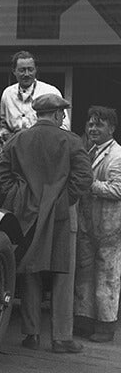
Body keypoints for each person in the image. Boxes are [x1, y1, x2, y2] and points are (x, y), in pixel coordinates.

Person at [0, 94, 92, 354]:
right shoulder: (71, 141)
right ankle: (61, 338)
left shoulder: (18, 139)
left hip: (26, 216)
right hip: (60, 216)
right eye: (62, 113)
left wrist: (20, 197)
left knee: (31, 273)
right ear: (58, 114)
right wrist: (62, 201)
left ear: (38, 114)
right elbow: (83, 178)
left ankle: (31, 335)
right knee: (63, 276)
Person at [74, 107, 121, 343]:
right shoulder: (89, 151)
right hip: (87, 223)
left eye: (99, 125)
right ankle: (83, 320)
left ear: (111, 128)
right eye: (90, 124)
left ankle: (105, 325)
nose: (93, 129)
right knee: (84, 273)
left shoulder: (117, 155)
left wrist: (90, 184)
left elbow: (118, 189)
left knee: (107, 275)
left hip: (109, 226)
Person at [0, 51, 69, 142]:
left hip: (44, 145)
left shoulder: (51, 92)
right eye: (22, 70)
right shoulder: (7, 94)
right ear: (14, 71)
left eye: (30, 69)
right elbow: (3, 125)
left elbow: (65, 127)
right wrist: (7, 137)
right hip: (15, 147)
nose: (27, 74)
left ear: (36, 70)